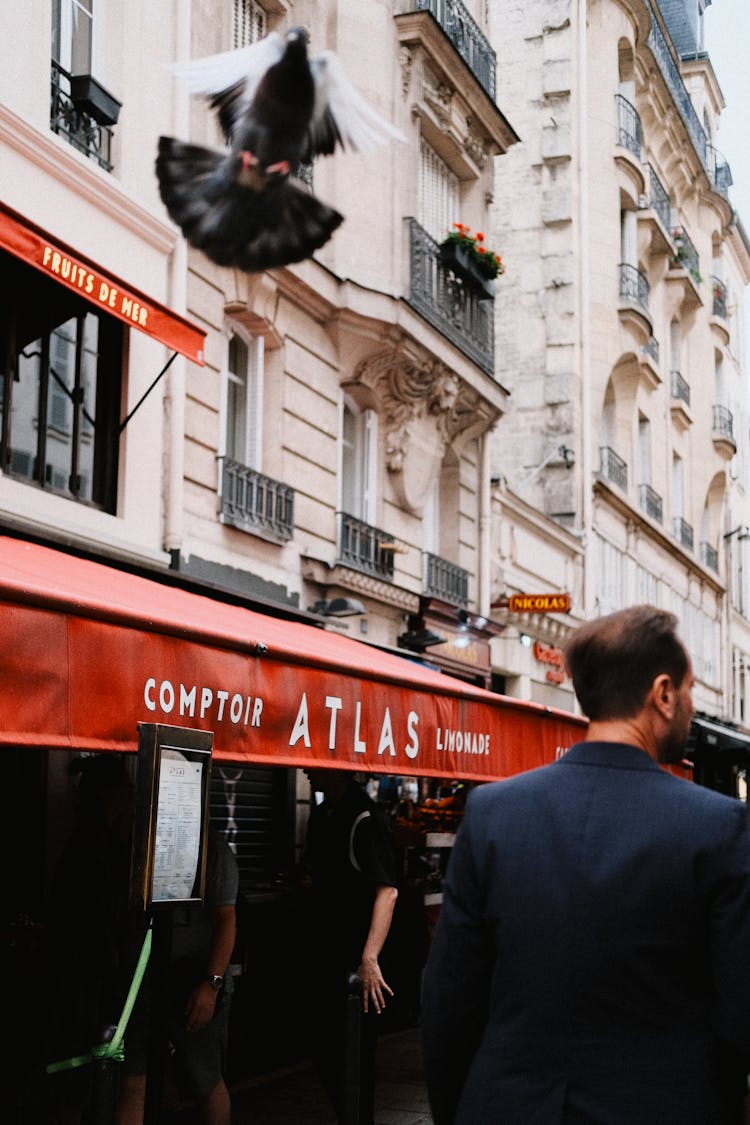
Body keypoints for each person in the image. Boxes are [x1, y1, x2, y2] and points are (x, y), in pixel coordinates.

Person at [422, 605, 750, 1125]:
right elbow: (739, 1020)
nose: (690, 706)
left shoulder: (493, 814)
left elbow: (448, 1005)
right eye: (688, 690)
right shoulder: (718, 827)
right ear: (662, 694)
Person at [118, 824, 239, 1125]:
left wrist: (211, 984)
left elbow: (226, 918)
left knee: (205, 1078)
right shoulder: (138, 840)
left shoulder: (211, 848)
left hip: (192, 977)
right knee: (135, 1080)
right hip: (141, 980)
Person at [302, 768, 399, 1125]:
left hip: (356, 970)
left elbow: (387, 891)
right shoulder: (326, 812)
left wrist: (369, 958)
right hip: (327, 956)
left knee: (354, 1059)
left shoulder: (364, 818)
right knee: (326, 1051)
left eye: (313, 764)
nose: (304, 770)